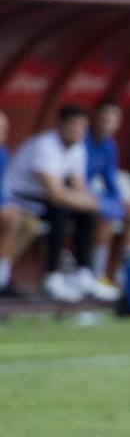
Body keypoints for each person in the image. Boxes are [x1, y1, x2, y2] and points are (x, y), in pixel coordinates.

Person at [2, 106, 117, 303]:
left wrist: (96, 204)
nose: (78, 131)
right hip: (22, 198)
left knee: (84, 214)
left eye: (82, 127)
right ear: (61, 125)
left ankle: (84, 273)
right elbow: (55, 193)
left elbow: (80, 187)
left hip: (41, 202)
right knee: (60, 210)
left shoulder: (78, 148)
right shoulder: (45, 145)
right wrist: (93, 203)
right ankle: (51, 275)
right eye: (74, 126)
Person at [86, 100, 130, 288]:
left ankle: (127, 275)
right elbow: (75, 179)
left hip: (93, 196)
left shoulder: (110, 145)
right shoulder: (82, 141)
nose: (108, 121)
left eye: (113, 117)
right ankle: (97, 274)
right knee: (106, 214)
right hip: (76, 197)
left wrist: (120, 201)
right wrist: (106, 202)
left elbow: (110, 180)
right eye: (105, 116)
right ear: (95, 117)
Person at [0, 109, 41, 299]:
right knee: (10, 220)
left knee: (30, 223)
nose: (1, 134)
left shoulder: (3, 154)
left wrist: (7, 204)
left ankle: (2, 277)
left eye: (4, 129)